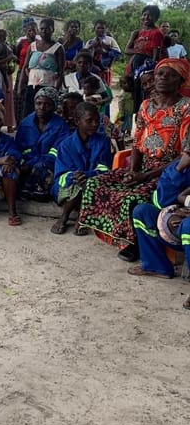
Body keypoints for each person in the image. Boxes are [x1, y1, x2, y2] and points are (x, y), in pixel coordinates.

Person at [78, 58, 190, 261]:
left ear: (180, 81)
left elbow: (184, 156)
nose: (163, 78)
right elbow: (137, 142)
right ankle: (117, 237)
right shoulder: (146, 106)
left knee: (134, 198)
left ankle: (134, 243)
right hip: (142, 167)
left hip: (170, 172)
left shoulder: (186, 108)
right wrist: (133, 171)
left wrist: (144, 176)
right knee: (95, 183)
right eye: (160, 74)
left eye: (171, 75)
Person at [128, 153, 190, 307]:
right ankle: (157, 266)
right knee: (142, 212)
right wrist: (179, 168)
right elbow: (161, 201)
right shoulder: (178, 166)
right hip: (176, 223)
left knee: (188, 226)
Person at [50, 102, 111, 235]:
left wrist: (88, 175)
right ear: (77, 121)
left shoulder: (103, 141)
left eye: (97, 120)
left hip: (92, 182)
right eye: (89, 121)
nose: (95, 124)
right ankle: (65, 216)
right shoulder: (65, 145)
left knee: (90, 183)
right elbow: (61, 174)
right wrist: (75, 176)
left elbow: (104, 168)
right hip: (67, 185)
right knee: (79, 184)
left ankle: (80, 217)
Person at [15, 86, 70, 199]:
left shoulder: (61, 126)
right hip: (27, 164)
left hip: (49, 165)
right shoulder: (26, 123)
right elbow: (18, 147)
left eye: (47, 104)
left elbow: (58, 152)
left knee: (42, 169)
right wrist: (24, 162)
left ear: (54, 106)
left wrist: (35, 162)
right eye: (38, 103)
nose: (42, 107)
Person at [18, 17, 65, 117]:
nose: (44, 31)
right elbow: (25, 67)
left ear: (53, 30)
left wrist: (55, 92)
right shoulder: (32, 46)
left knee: (45, 116)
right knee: (29, 115)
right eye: (42, 29)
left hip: (48, 88)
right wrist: (20, 86)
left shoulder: (58, 48)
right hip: (32, 87)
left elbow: (61, 72)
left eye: (47, 29)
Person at [124, 5, 165, 112]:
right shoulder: (139, 33)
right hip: (134, 70)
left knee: (144, 96)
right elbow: (127, 50)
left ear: (155, 18)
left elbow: (155, 56)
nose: (146, 18)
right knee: (133, 98)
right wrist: (139, 52)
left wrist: (148, 67)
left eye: (150, 15)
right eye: (144, 15)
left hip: (145, 71)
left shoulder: (156, 33)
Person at [84, 20, 121, 86]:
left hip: (105, 71)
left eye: (102, 28)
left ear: (105, 29)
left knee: (105, 90)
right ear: (94, 29)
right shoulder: (90, 42)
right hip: (91, 71)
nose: (100, 30)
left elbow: (118, 55)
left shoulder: (110, 40)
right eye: (98, 28)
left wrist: (105, 52)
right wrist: (91, 46)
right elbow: (83, 56)